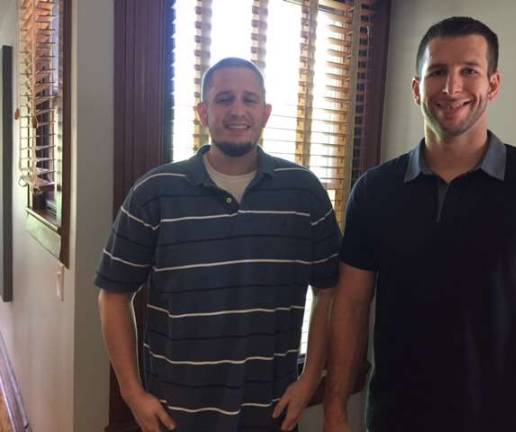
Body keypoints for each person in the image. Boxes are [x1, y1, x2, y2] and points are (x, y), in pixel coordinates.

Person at [324, 16, 516, 432]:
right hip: (393, 420)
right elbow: (351, 306)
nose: (451, 87)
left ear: (493, 85)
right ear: (415, 88)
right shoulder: (374, 191)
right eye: (437, 72)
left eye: (469, 71)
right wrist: (334, 410)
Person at [96, 57, 340, 432]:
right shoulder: (154, 193)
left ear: (266, 112)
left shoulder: (304, 192)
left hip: (271, 411)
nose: (237, 110)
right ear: (202, 112)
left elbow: (329, 291)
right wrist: (132, 393)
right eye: (224, 99)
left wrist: (310, 379)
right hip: (175, 412)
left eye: (249, 99)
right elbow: (113, 295)